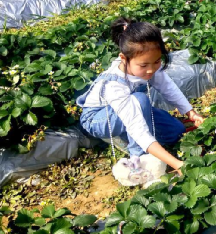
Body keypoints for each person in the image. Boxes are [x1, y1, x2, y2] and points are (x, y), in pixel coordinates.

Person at [77, 17, 204, 175]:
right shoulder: (114, 85)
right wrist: (177, 164)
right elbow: (138, 130)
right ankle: (138, 158)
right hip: (97, 119)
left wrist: (191, 113)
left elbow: (168, 88)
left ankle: (136, 139)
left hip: (130, 107)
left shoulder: (149, 65)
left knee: (175, 131)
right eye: (143, 65)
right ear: (124, 58)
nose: (151, 70)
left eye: (157, 61)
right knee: (140, 100)